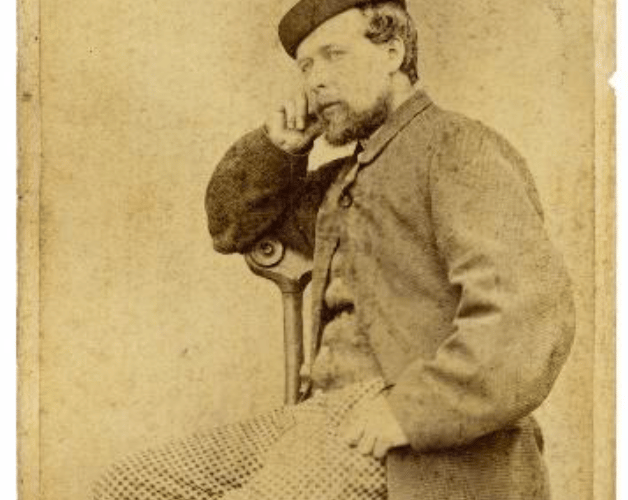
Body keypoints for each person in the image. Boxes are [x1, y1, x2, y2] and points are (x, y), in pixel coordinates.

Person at [93, 1, 575, 499]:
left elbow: (528, 318)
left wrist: (408, 412)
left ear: (392, 52)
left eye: (333, 55)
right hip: (321, 417)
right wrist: (280, 150)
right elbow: (231, 228)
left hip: (416, 435)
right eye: (306, 66)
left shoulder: (458, 147)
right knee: (125, 486)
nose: (316, 80)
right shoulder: (341, 182)